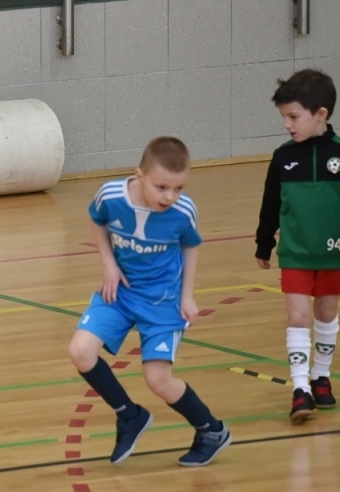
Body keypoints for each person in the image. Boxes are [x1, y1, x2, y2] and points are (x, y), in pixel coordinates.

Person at [66, 137, 232, 467]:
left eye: (178, 188)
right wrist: (109, 264)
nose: (170, 196)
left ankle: (211, 431)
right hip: (120, 291)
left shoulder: (184, 212)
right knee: (80, 351)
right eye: (162, 187)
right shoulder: (111, 196)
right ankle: (130, 416)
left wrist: (187, 296)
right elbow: (97, 221)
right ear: (139, 175)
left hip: (163, 301)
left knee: (157, 380)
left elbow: (191, 248)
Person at [254, 68, 340, 422]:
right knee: (297, 316)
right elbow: (270, 204)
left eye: (293, 117)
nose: (287, 125)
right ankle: (300, 390)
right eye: (284, 117)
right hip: (295, 253)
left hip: (333, 254)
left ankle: (320, 376)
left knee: (325, 313)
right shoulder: (282, 157)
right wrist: (264, 244)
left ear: (320, 114)